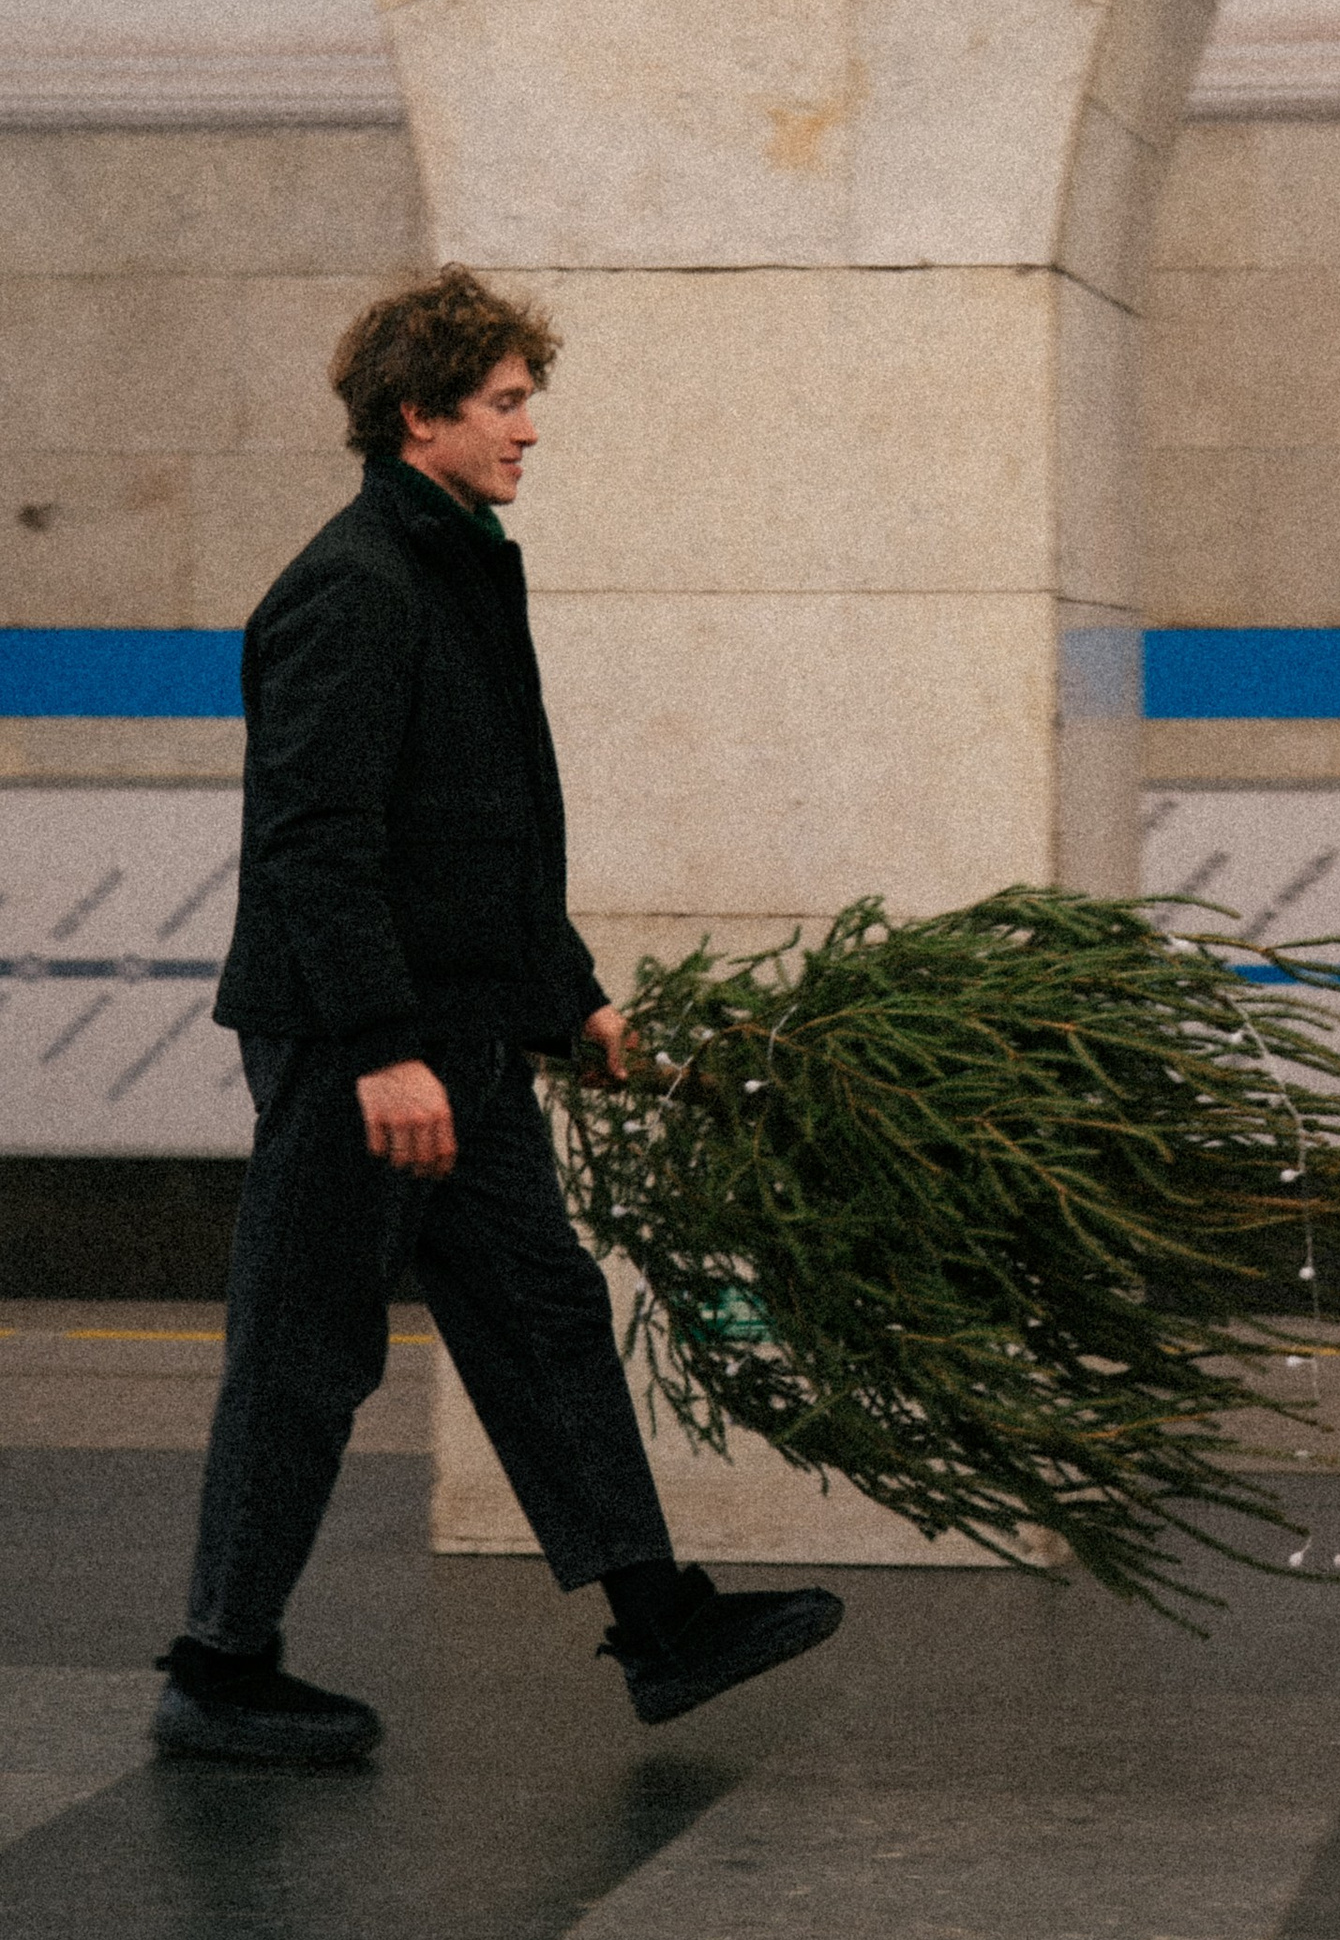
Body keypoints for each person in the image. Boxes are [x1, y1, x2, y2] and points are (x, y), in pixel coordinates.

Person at [154, 267, 844, 1767]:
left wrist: (573, 999)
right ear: (423, 415)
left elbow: (492, 830)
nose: (533, 431)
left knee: (542, 1318)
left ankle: (659, 1622)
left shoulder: (455, 563)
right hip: (370, 1052)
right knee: (305, 1352)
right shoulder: (355, 585)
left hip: (458, 1034)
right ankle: (218, 1666)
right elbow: (316, 841)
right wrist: (382, 1048)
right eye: (508, 402)